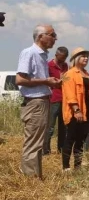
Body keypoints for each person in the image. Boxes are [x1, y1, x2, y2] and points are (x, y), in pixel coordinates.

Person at [15, 24, 62, 178]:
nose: (55, 38)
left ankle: (35, 177)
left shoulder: (41, 55)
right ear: (41, 36)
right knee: (33, 143)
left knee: (38, 142)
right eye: (52, 35)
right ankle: (30, 180)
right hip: (35, 103)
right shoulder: (30, 53)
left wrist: (49, 82)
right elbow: (20, 79)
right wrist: (46, 81)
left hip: (42, 101)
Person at [61, 47, 89, 171]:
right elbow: (69, 94)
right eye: (83, 56)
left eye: (86, 56)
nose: (86, 58)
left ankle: (78, 167)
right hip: (75, 112)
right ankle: (66, 167)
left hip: (87, 112)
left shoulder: (87, 74)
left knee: (81, 141)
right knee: (70, 139)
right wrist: (76, 110)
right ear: (76, 58)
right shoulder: (68, 74)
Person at [44, 46, 68, 155]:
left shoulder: (66, 66)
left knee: (63, 127)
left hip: (64, 99)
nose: (62, 60)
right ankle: (46, 151)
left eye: (64, 58)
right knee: (50, 127)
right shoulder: (49, 65)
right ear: (56, 55)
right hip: (53, 99)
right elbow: (45, 81)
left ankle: (61, 149)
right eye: (61, 58)